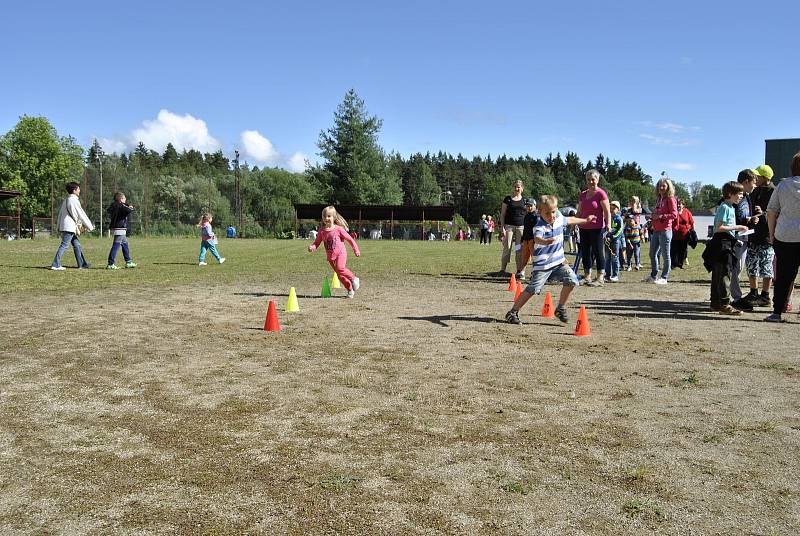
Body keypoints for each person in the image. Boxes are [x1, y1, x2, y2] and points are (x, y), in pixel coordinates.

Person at [505, 195, 596, 324]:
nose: (551, 215)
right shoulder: (539, 226)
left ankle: (560, 308)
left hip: (558, 263)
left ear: (557, 210)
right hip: (543, 266)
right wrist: (545, 242)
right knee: (533, 289)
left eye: (553, 212)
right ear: (539, 212)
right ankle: (512, 312)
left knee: (572, 280)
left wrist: (585, 220)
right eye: (547, 213)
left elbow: (569, 220)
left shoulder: (559, 218)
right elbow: (537, 238)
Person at [703, 181, 750, 315]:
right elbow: (719, 227)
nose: (741, 196)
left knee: (719, 274)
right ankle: (724, 304)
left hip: (727, 241)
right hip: (722, 244)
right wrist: (738, 227)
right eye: (739, 193)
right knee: (724, 274)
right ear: (730, 194)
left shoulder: (730, 207)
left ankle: (715, 304)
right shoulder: (724, 207)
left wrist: (737, 233)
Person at [764, 153, 800, 322]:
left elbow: (771, 212)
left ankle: (777, 312)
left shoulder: (782, 185)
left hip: (784, 236)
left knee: (783, 276)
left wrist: (772, 235)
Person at [309, 206, 361, 298]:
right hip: (330, 257)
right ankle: (350, 290)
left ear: (334, 217)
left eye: (329, 216)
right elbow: (316, 243)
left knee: (340, 268)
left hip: (341, 253)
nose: (326, 218)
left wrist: (356, 249)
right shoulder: (321, 231)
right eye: (324, 216)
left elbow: (350, 239)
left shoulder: (338, 229)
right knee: (340, 275)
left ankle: (354, 278)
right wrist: (312, 247)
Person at [727, 170, 759, 311]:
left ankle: (729, 295)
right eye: (754, 182)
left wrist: (753, 218)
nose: (755, 185)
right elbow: (733, 217)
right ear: (746, 182)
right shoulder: (736, 196)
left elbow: (743, 216)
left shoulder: (746, 197)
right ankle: (736, 298)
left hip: (744, 235)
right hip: (736, 237)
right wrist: (747, 220)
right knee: (735, 267)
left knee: (737, 268)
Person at [744, 164, 775, 308]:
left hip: (767, 236)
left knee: (766, 267)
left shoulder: (774, 191)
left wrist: (762, 212)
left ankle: (765, 296)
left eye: (758, 176)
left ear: (765, 178)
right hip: (753, 235)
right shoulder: (754, 191)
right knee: (751, 265)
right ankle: (753, 293)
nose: (755, 178)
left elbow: (776, 213)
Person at [577, 169, 611, 286]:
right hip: (583, 227)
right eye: (588, 179)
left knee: (598, 251)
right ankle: (587, 276)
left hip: (597, 228)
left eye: (593, 179)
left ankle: (600, 277)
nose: (591, 182)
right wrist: (574, 222)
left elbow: (607, 212)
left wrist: (608, 224)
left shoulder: (601, 194)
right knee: (585, 252)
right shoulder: (582, 194)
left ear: (597, 180)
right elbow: (579, 211)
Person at [51, 182, 94, 270]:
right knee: (64, 245)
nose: (79, 190)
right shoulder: (73, 200)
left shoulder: (67, 199)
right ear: (74, 190)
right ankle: (55, 264)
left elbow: (61, 214)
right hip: (69, 227)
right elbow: (80, 214)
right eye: (78, 189)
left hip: (67, 226)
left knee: (77, 245)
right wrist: (89, 226)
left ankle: (82, 264)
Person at [644, 178, 677, 285]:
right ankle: (654, 275)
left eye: (664, 186)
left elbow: (674, 214)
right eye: (659, 186)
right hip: (656, 229)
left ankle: (664, 277)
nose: (661, 188)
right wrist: (651, 216)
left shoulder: (670, 199)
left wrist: (660, 216)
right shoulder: (659, 199)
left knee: (665, 255)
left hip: (665, 230)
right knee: (652, 253)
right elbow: (657, 213)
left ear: (668, 187)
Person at [499, 180, 526, 275]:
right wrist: (502, 227)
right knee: (507, 247)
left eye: (519, 187)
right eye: (515, 186)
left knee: (518, 249)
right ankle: (503, 270)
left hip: (521, 228)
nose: (517, 188)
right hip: (509, 227)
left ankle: (519, 270)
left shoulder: (525, 200)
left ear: (522, 189)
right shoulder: (507, 199)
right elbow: (502, 214)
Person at [106, 192, 137, 270]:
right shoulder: (121, 205)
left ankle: (128, 262)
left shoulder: (114, 205)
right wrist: (131, 207)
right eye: (124, 198)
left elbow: (110, 210)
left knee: (125, 244)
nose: (125, 199)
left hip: (118, 227)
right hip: (120, 228)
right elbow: (129, 210)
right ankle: (110, 263)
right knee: (116, 245)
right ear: (120, 199)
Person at [515, 198, 538, 281]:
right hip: (526, 239)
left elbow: (537, 230)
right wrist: (522, 239)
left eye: (531, 206)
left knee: (534, 258)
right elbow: (525, 229)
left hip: (533, 240)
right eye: (528, 206)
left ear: (535, 206)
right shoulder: (526, 216)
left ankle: (535, 274)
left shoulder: (536, 217)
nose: (529, 208)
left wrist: (536, 240)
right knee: (524, 257)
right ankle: (522, 273)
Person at [670, 198, 694, 269]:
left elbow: (692, 222)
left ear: (683, 205)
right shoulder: (674, 212)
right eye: (677, 204)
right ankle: (673, 264)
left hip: (684, 235)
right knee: (674, 250)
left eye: (679, 204)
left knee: (682, 251)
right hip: (674, 235)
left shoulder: (687, 212)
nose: (678, 205)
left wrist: (692, 231)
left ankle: (680, 264)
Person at [605, 201, 624, 282]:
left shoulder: (619, 218)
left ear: (618, 210)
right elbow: (604, 228)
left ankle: (615, 275)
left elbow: (620, 230)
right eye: (610, 208)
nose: (612, 210)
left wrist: (613, 237)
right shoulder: (607, 218)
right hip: (607, 241)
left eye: (614, 208)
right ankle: (607, 275)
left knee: (615, 258)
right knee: (607, 258)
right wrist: (605, 236)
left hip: (615, 242)